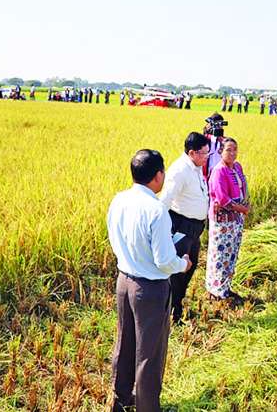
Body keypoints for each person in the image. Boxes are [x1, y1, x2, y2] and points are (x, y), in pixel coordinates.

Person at [108, 149, 193, 412]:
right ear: (157, 176)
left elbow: (114, 238)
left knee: (125, 344)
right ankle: (147, 407)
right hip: (150, 288)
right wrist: (183, 264)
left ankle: (120, 400)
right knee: (149, 353)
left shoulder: (119, 200)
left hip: (124, 281)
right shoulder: (157, 210)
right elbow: (164, 260)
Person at [160, 132, 211, 324]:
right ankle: (171, 313)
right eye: (204, 153)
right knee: (177, 273)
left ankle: (177, 307)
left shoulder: (196, 168)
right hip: (182, 228)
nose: (207, 157)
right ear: (192, 153)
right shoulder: (180, 170)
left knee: (190, 268)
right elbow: (165, 201)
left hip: (194, 230)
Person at [205, 138, 250, 304]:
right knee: (220, 255)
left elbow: (243, 188)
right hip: (223, 222)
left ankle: (225, 288)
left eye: (235, 149)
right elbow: (223, 199)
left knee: (232, 254)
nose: (232, 153)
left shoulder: (237, 167)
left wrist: (245, 204)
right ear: (220, 152)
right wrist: (242, 209)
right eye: (228, 150)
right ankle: (216, 292)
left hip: (236, 219)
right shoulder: (219, 171)